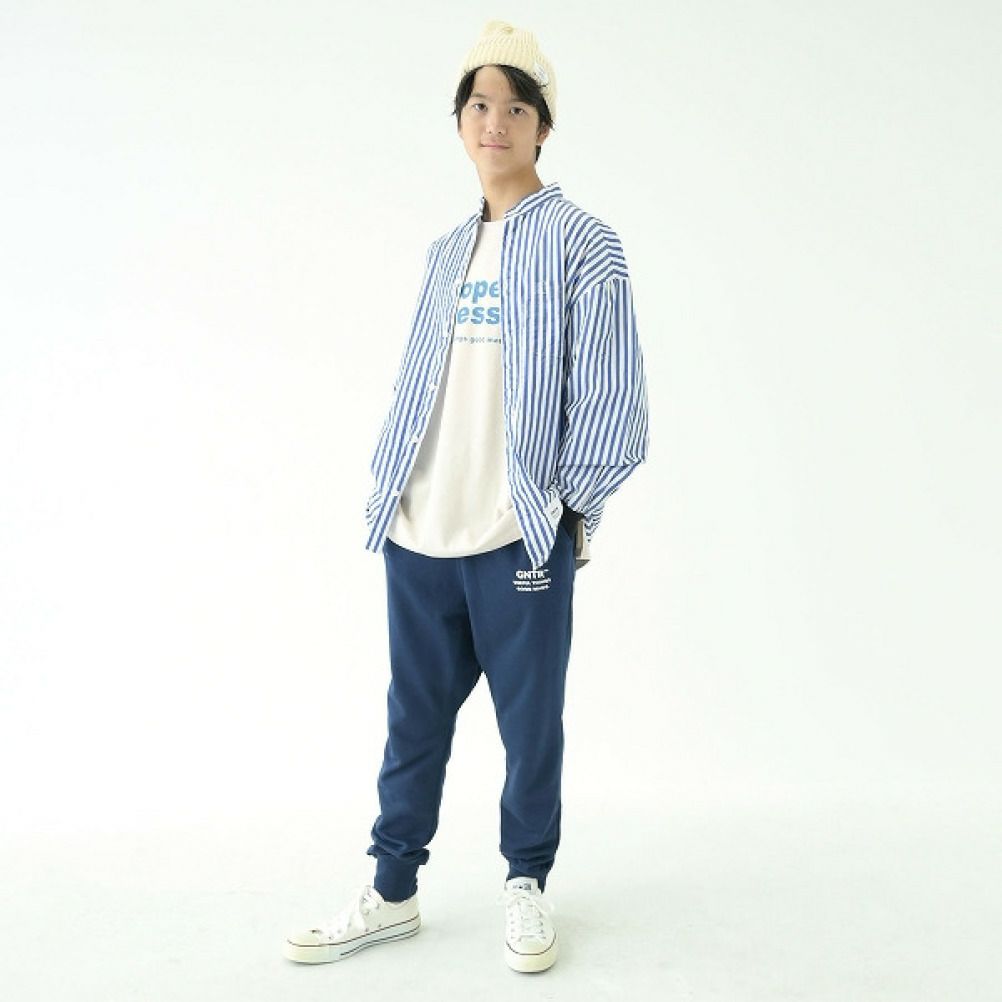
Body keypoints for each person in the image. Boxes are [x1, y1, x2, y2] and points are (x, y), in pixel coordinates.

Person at [284, 19, 649, 974]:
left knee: (530, 731)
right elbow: (419, 381)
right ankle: (392, 891)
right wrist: (389, 483)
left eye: (516, 108)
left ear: (542, 127)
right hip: (420, 531)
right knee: (412, 724)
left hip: (515, 538)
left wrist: (558, 514)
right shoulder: (445, 252)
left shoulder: (585, 244)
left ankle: (526, 884)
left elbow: (615, 402)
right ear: (459, 122)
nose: (496, 122)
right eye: (480, 105)